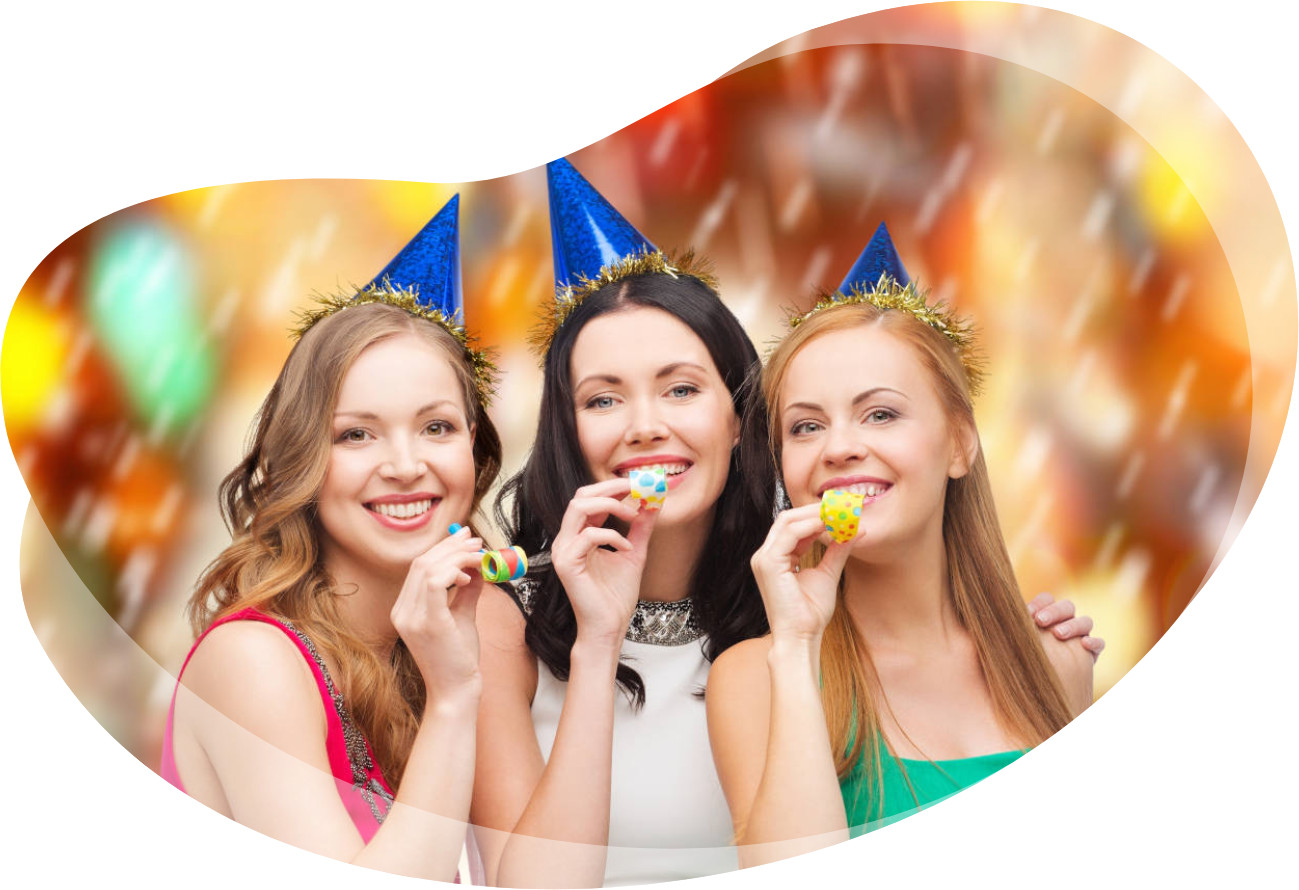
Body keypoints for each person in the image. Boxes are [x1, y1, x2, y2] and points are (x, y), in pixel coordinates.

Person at [470, 166, 1095, 886]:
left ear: (741, 424)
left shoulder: (789, 611)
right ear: (566, 429)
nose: (645, 426)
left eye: (680, 388)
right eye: (603, 399)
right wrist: (598, 642)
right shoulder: (517, 621)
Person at [707, 223, 1096, 866]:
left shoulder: (1056, 665)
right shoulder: (756, 676)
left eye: (880, 413)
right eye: (806, 426)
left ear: (959, 444)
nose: (838, 448)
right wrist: (799, 644)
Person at [161, 196, 502, 881]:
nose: (406, 465)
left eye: (435, 427)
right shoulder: (252, 662)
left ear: (473, 446)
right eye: (356, 434)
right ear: (302, 465)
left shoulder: (450, 640)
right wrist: (455, 697)